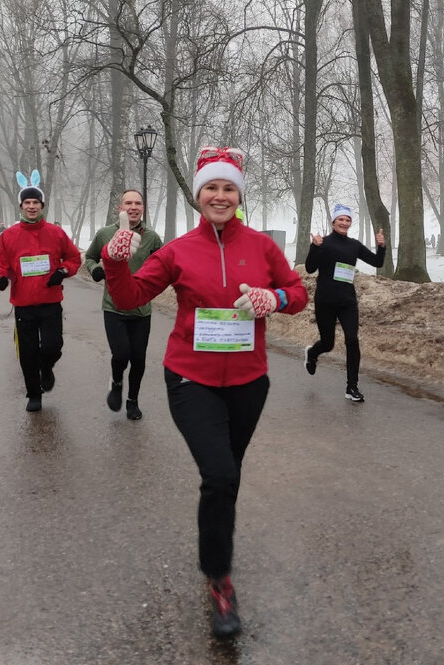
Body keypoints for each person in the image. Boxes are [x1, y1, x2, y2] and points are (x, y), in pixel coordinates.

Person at [101, 146, 307, 639]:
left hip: (248, 383)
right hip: (190, 379)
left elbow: (298, 294)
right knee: (218, 474)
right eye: (211, 188)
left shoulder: (260, 247)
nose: (219, 195)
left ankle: (216, 558)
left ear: (238, 195)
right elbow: (130, 297)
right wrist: (114, 264)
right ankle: (220, 580)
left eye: (228, 188)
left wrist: (271, 298)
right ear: (199, 196)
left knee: (227, 479)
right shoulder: (176, 251)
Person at [0, 170, 82, 412]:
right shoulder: (9, 235)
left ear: (42, 205)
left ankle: (47, 367)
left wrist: (62, 272)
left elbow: (72, 258)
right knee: (27, 352)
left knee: (53, 347)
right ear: (21, 206)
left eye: (35, 202)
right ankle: (34, 393)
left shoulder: (56, 233)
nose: (31, 206)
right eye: (27, 202)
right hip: (23, 304)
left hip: (50, 302)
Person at [84, 190, 163, 420]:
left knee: (138, 358)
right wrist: (96, 270)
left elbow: (163, 265)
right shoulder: (105, 234)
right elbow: (89, 257)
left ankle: (133, 401)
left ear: (143, 208)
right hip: (113, 307)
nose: (133, 207)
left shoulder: (152, 237)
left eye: (138, 203)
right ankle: (117, 382)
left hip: (141, 309)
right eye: (129, 202)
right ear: (121, 206)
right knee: (121, 354)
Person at [303, 203, 385, 403]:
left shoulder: (354, 245)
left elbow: (377, 262)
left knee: (352, 339)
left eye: (347, 220)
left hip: (347, 301)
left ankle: (352, 386)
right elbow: (309, 268)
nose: (344, 223)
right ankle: (312, 353)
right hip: (325, 301)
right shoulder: (324, 242)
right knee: (328, 343)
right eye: (341, 219)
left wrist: (381, 246)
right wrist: (314, 247)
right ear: (333, 222)